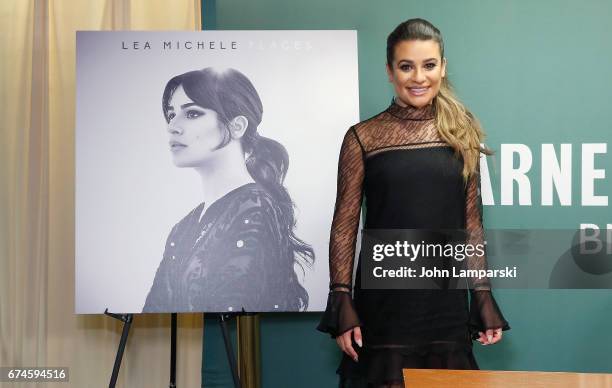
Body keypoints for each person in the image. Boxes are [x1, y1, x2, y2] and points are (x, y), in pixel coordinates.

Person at [317, 19, 510, 387]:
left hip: (445, 306)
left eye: (429, 65)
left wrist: (482, 295)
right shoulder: (364, 138)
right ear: (390, 72)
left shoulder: (461, 132)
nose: (418, 77)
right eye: (406, 66)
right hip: (385, 307)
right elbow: (344, 225)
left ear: (443, 67)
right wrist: (341, 298)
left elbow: (470, 224)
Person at [142, 67, 314, 313]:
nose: (172, 126)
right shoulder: (182, 227)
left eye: (191, 113)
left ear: (237, 126)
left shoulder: (255, 208)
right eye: (170, 114)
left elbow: (234, 315)